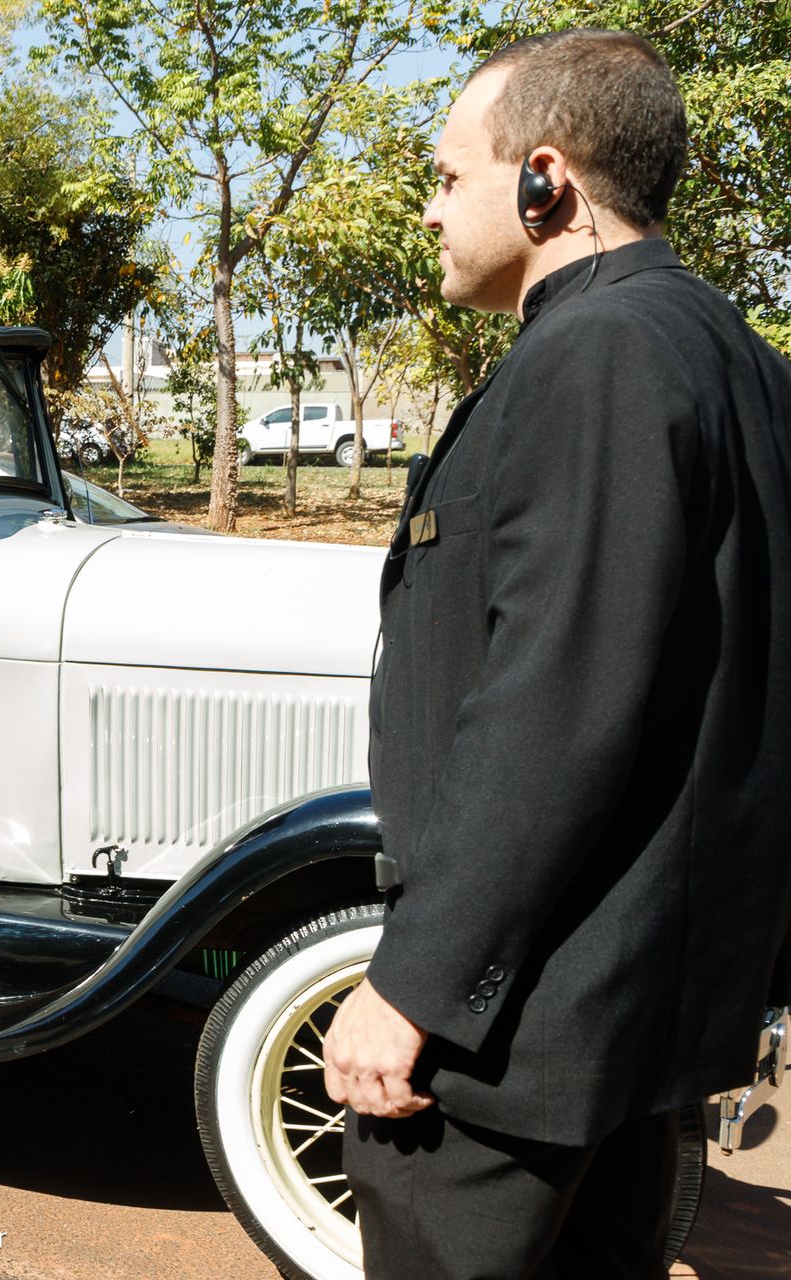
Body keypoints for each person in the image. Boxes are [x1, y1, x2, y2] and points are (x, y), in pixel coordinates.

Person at [324, 29, 791, 1277]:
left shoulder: (600, 353)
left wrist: (414, 986)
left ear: (546, 181)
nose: (430, 212)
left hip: (514, 1032)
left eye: (445, 178)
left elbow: (555, 700)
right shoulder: (736, 355)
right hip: (630, 1013)